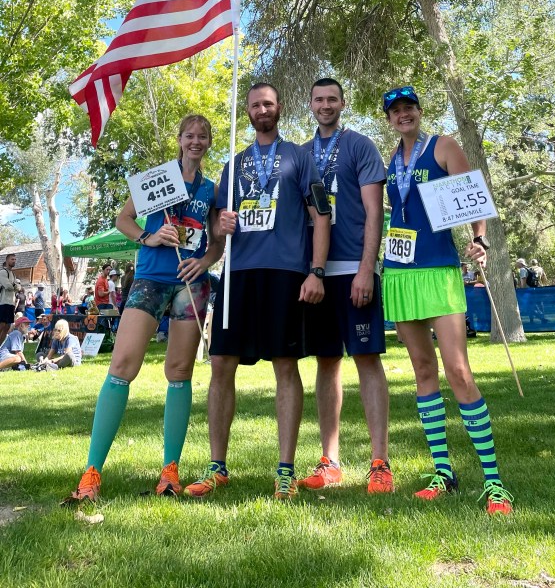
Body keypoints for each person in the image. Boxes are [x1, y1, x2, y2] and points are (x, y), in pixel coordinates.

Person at [66, 113, 224, 504]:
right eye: (189, 135)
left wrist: (205, 262)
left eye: (203, 136)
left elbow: (217, 241)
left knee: (180, 372)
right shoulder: (159, 178)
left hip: (190, 285)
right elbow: (124, 219)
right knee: (122, 366)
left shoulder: (212, 189)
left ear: (208, 142)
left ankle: (170, 470)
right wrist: (148, 237)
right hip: (150, 279)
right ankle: (91, 472)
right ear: (179, 139)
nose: (196, 141)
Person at [185, 82, 331, 502]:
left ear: (278, 107)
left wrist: (316, 272)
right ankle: (217, 466)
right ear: (247, 112)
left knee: (285, 364)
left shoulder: (300, 157)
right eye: (255, 105)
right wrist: (221, 225)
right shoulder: (234, 164)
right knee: (220, 363)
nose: (262, 110)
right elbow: (217, 228)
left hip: (286, 272)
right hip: (239, 273)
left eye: (268, 104)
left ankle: (285, 470)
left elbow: (322, 215)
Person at [382, 85, 513, 515]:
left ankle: (494, 483)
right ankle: (444, 473)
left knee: (457, 369)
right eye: (395, 111)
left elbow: (473, 196)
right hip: (399, 272)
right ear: (389, 119)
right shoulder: (392, 159)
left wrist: (480, 239)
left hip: (439, 271)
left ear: (419, 111)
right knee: (423, 370)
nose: (403, 115)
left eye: (409, 108)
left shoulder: (443, 146)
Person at [298, 78, 393, 494]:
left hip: (354, 268)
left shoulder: (360, 146)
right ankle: (330, 461)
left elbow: (375, 212)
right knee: (326, 362)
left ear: (342, 103)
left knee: (367, 359)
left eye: (332, 99)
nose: (325, 105)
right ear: (310, 104)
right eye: (319, 99)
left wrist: (366, 269)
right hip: (317, 273)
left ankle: (380, 462)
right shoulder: (301, 153)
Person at [0, 252, 17, 348]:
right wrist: (15, 285)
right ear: (7, 260)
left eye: (15, 259)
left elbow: (18, 287)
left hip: (11, 303)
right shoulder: (3, 272)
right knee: (1, 325)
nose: (14, 261)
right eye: (12, 259)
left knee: (7, 327)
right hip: (3, 302)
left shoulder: (13, 274)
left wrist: (14, 286)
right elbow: (8, 286)